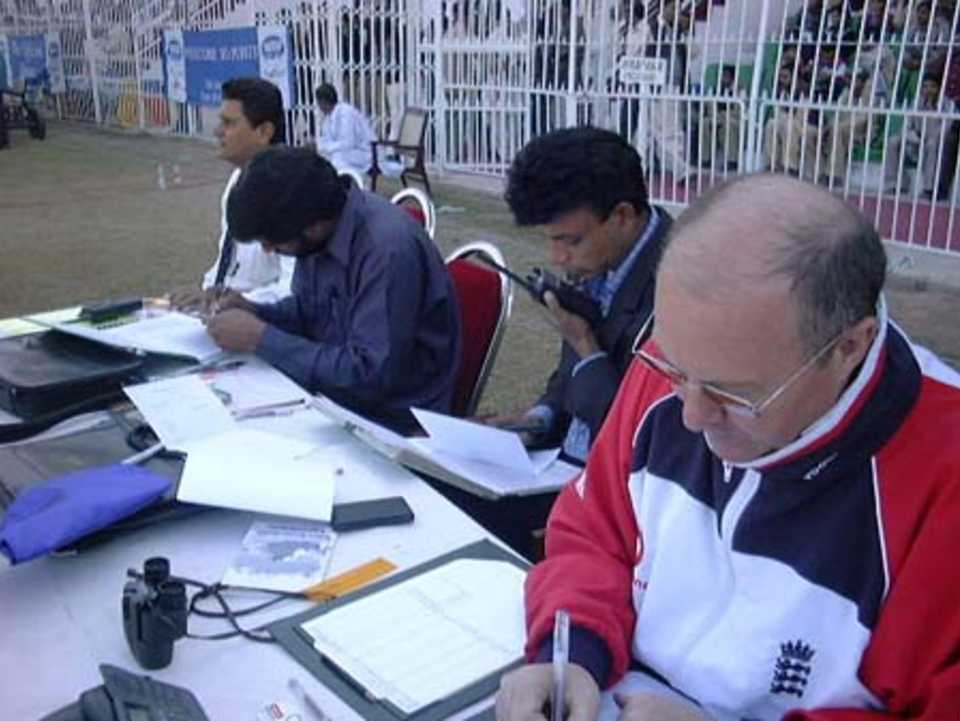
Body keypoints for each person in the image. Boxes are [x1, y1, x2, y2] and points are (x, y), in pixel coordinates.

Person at [497, 173, 960, 720]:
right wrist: (572, 652)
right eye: (673, 367)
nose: (691, 416)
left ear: (848, 347)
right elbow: (593, 533)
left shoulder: (941, 477)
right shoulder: (688, 361)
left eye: (733, 394)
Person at [205, 147, 461, 431]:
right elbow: (310, 311)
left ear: (312, 226)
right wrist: (256, 312)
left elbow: (367, 376)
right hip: (337, 400)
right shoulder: (320, 230)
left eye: (272, 241)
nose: (268, 250)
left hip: (393, 422)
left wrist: (260, 337)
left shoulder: (385, 251)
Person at [488, 127, 672, 467]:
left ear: (622, 217)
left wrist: (585, 344)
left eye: (571, 241)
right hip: (556, 463)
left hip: (614, 488)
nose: (558, 257)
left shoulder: (679, 291)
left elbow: (638, 438)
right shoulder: (602, 261)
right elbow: (568, 378)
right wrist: (537, 419)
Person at [170, 77, 294, 309]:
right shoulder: (239, 179)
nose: (218, 132)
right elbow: (227, 263)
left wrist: (241, 302)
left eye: (229, 123)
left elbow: (297, 288)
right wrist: (206, 292)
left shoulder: (291, 189)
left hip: (262, 324)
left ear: (264, 131)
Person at [885, 73, 957, 197]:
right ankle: (895, 184)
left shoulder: (948, 105)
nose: (928, 90)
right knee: (893, 141)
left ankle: (928, 189)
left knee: (932, 144)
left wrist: (927, 138)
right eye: (925, 87)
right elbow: (906, 127)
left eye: (932, 87)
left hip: (936, 145)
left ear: (939, 88)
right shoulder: (916, 102)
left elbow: (945, 130)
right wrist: (917, 138)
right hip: (916, 141)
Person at [315, 82, 376, 176]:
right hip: (349, 152)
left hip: (364, 152)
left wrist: (323, 147)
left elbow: (348, 143)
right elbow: (327, 140)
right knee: (321, 158)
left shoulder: (346, 113)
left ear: (323, 102)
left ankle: (342, 186)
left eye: (319, 102)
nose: (319, 106)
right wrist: (318, 145)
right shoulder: (328, 118)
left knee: (337, 158)